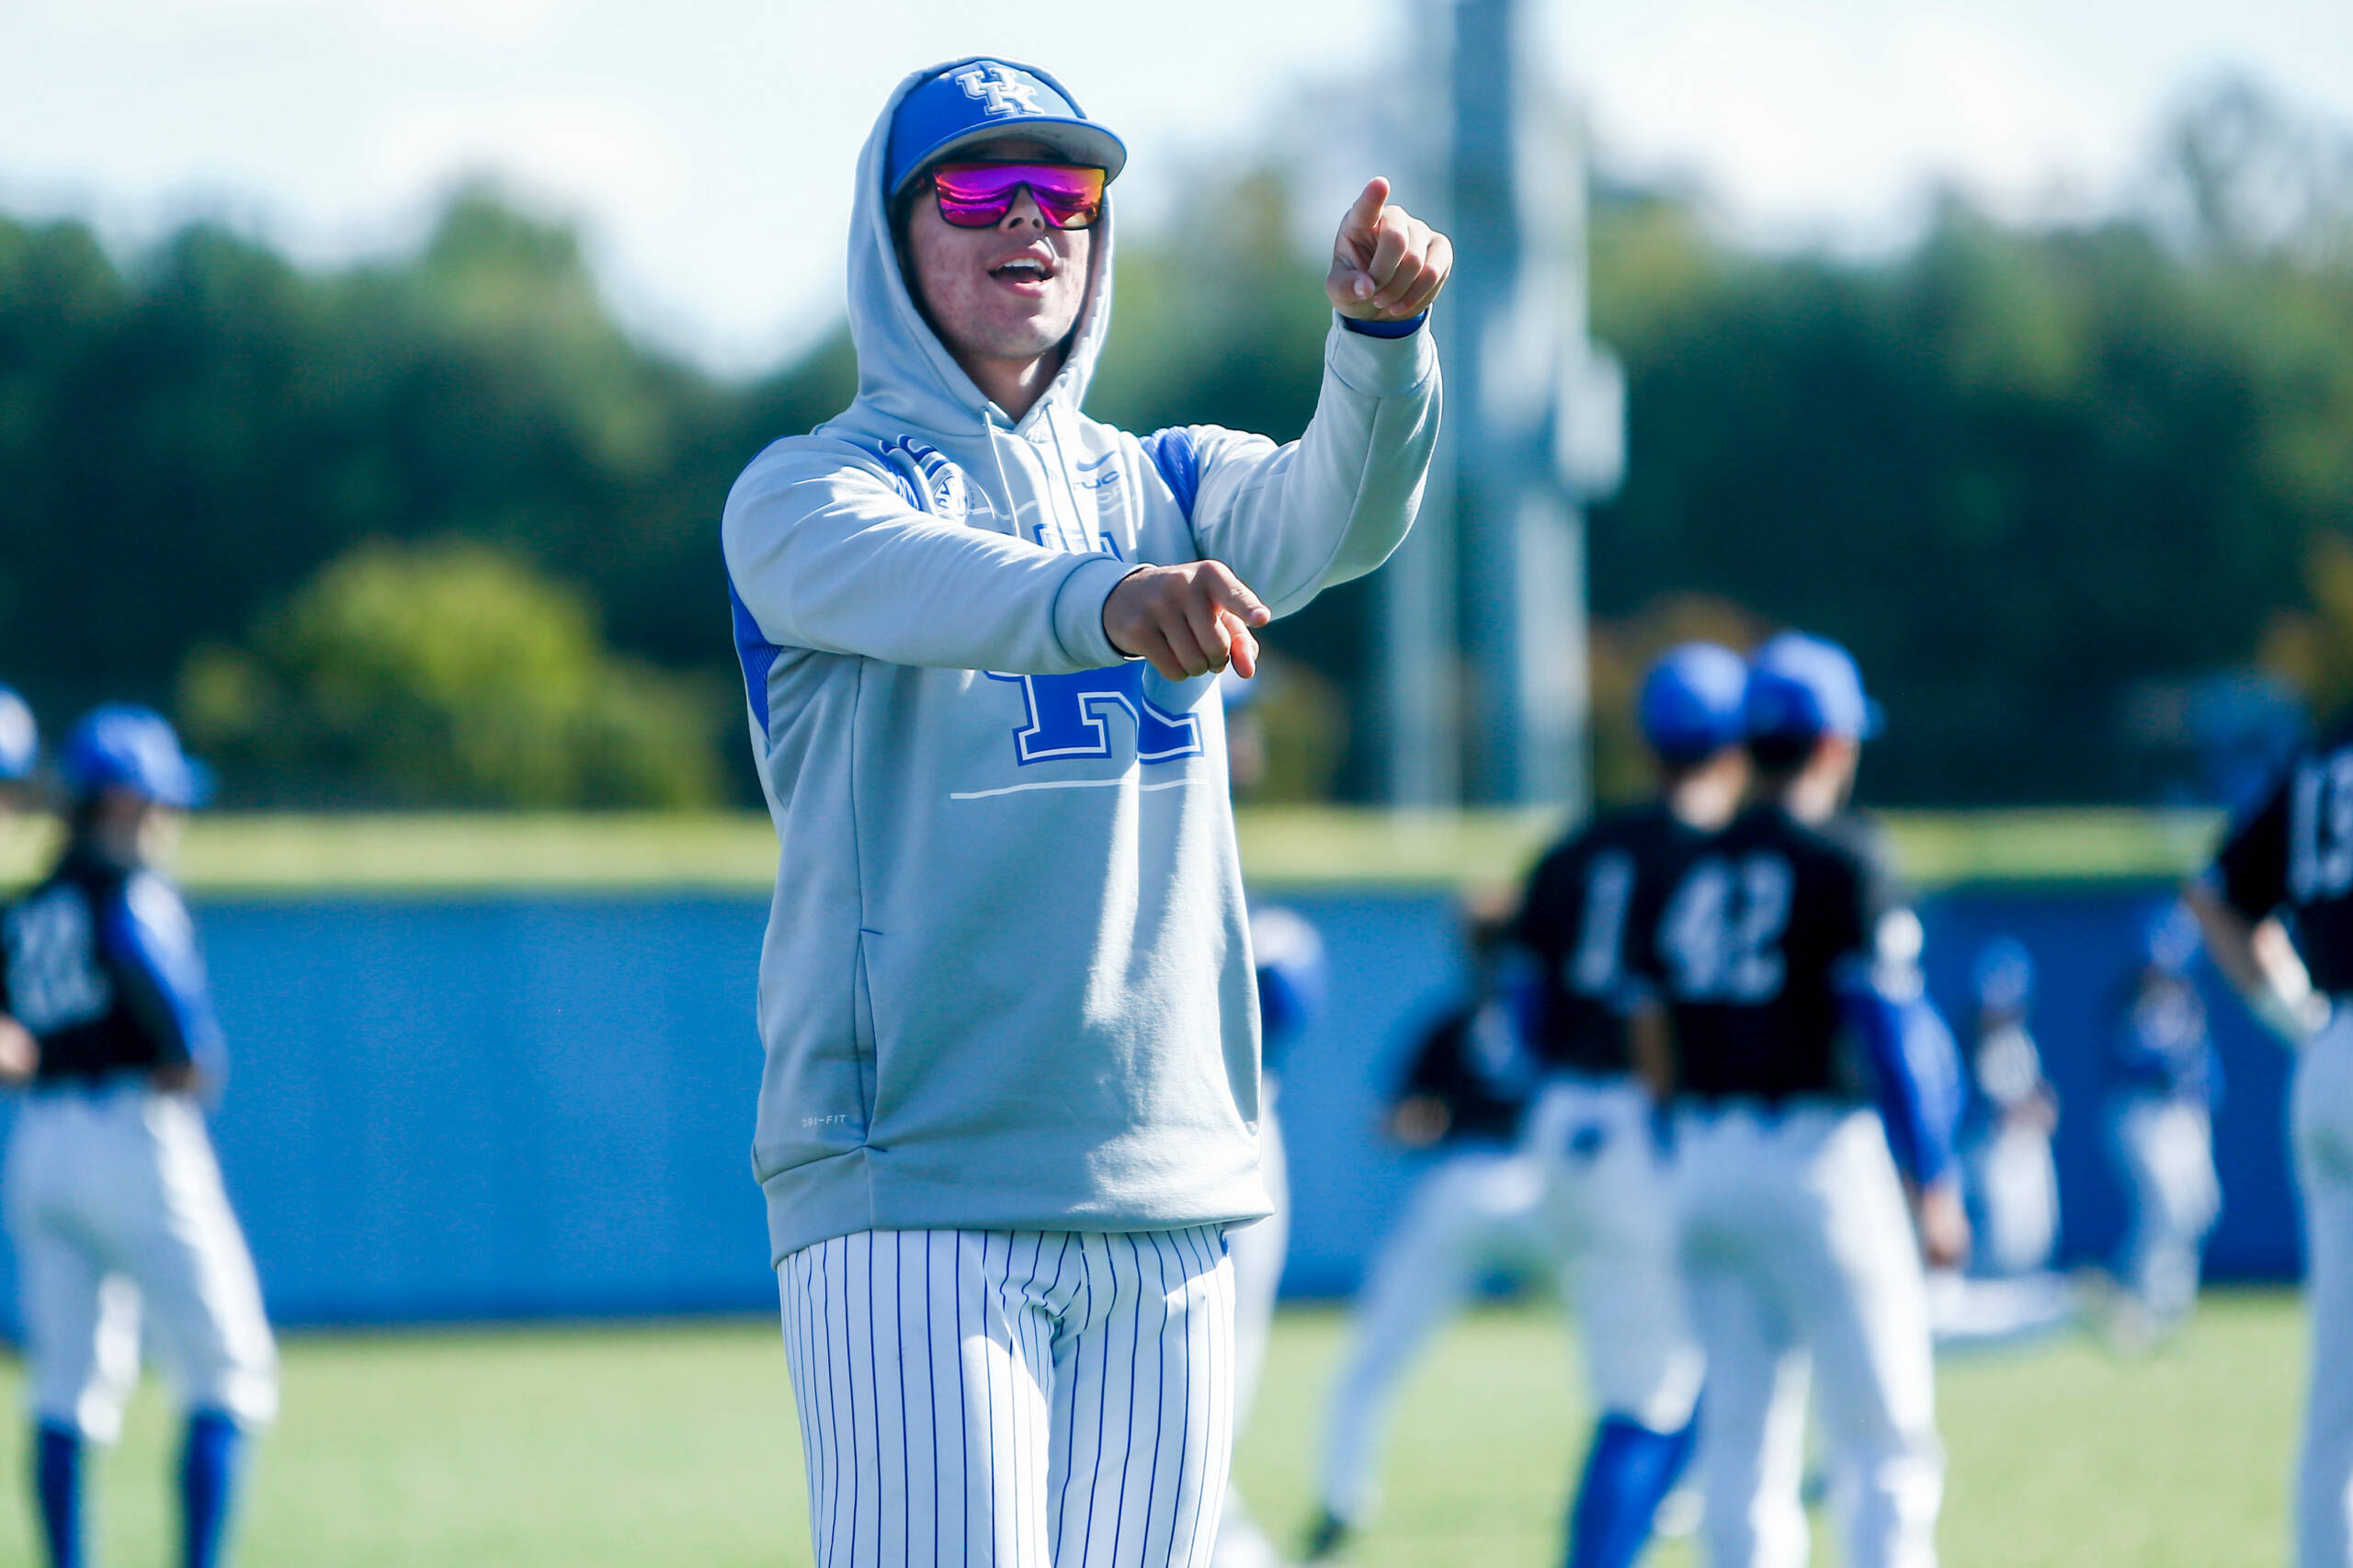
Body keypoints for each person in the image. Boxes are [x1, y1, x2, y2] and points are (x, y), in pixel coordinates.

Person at [720, 56, 1449, 1568]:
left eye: (1069, 193)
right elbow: (937, 580)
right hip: (913, 1170)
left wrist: (1380, 349)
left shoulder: (1167, 477)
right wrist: (1109, 601)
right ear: (892, 232)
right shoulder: (802, 495)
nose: (1033, 223)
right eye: (981, 188)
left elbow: (1341, 515)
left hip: (1169, 1182)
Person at [1630, 632, 1965, 1568]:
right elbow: (1885, 1027)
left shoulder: (1681, 859)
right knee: (1884, 1438)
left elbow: (1648, 1031)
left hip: (1703, 1151)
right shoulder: (1846, 856)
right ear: (1831, 743)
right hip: (1816, 1155)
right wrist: (1932, 1178)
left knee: (1739, 1448)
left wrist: (1684, 1144)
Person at [1493, 643, 1753, 1568]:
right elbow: (1665, 1010)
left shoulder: (1573, 847)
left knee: (1695, 1371)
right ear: (1735, 746)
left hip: (1564, 1116)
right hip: (1646, 1122)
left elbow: (1520, 1009)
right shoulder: (1713, 854)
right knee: (1653, 1390)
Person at [0, 705, 277, 1568]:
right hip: (133, 1135)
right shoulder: (130, 893)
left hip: (39, 1142)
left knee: (66, 1394)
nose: (168, 819)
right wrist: (188, 1054)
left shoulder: (26, 906)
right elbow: (184, 1038)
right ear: (117, 801)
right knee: (228, 1375)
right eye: (156, 800)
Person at [1300, 900, 1553, 1563]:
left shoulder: (1452, 1020)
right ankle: (1673, 1492)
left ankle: (1343, 1496)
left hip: (1461, 1189)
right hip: (1547, 1191)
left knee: (1373, 1360)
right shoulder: (1555, 1012)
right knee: (1637, 1343)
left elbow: (1400, 1122)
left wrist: (1408, 1121)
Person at [2187, 721, 2349, 1568]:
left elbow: (2215, 893)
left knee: (2340, 1397)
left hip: (2330, 1056)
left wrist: (2297, 1018)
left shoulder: (2323, 754)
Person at [1216, 901, 1327, 1568]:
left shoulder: (1267, 933)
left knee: (1232, 1349)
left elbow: (1291, 998)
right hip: (1162, 1136)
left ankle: (1213, 1512)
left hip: (1242, 1128)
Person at [1922, 937, 2073, 1348]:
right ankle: (1986, 1320)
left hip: (2025, 1152)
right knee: (1998, 1241)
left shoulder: (2020, 1038)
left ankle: (2019, 1319)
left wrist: (2039, 1106)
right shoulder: (1965, 1039)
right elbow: (1973, 1105)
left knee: (2034, 1235)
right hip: (1986, 1150)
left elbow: (2032, 1095)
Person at [2095, 901, 2222, 1346]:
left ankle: (2170, 1309)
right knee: (2163, 1211)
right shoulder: (2130, 999)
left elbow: (2205, 1073)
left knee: (2199, 1210)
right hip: (2143, 1116)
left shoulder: (2189, 1001)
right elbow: (2133, 1063)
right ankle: (2131, 1304)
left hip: (2186, 1118)